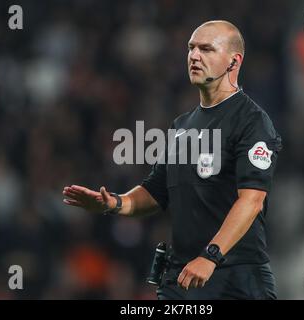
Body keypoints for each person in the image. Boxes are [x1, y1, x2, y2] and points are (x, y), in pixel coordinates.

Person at [62, 20, 282, 299]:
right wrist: (114, 203)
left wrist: (210, 256)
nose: (194, 56)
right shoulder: (182, 126)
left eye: (206, 49)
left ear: (233, 61)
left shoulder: (252, 121)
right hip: (183, 276)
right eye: (191, 48)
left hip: (235, 279)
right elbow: (156, 191)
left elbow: (251, 201)